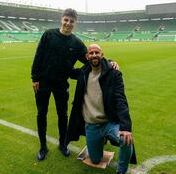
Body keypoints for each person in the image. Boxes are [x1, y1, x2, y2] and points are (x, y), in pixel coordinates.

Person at [31, 8, 118, 161]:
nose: (68, 23)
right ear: (62, 20)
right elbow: (38, 56)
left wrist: (109, 62)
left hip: (61, 84)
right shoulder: (48, 35)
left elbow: (91, 59)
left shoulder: (76, 43)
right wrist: (35, 78)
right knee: (41, 115)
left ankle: (63, 144)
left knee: (63, 115)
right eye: (66, 20)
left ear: (75, 23)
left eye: (71, 21)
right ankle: (43, 147)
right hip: (43, 83)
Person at [66, 44, 136, 174]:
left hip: (110, 122)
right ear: (87, 57)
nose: (94, 55)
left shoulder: (113, 73)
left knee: (126, 139)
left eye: (97, 52)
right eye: (91, 53)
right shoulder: (82, 73)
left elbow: (121, 99)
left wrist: (126, 127)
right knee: (96, 159)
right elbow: (67, 70)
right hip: (91, 124)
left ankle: (121, 172)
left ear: (102, 54)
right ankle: (100, 140)